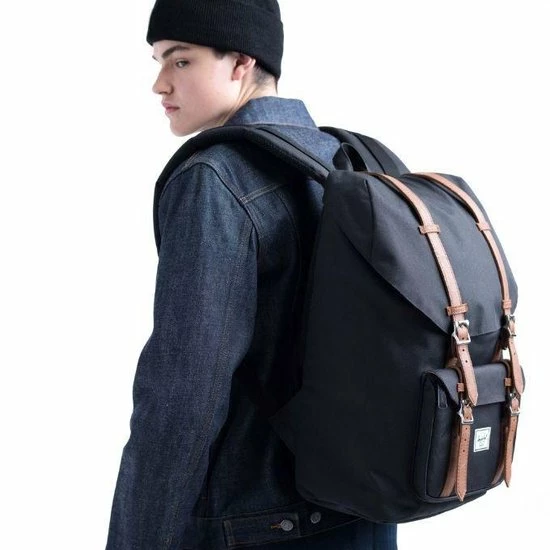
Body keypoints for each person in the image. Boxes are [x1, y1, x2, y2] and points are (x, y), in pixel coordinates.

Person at [106, 1, 398, 548]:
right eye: (158, 61)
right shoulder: (349, 160)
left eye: (180, 60)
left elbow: (181, 396)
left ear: (242, 61)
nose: (159, 83)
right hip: (365, 512)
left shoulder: (214, 178)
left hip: (256, 528)